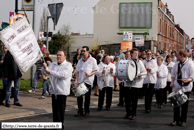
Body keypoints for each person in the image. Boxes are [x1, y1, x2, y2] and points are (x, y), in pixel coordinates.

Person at [42, 50, 73, 129]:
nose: (58, 56)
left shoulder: (68, 65)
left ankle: (60, 126)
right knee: (55, 111)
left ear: (65, 56)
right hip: (54, 91)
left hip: (62, 91)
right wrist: (44, 67)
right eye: (57, 55)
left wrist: (50, 71)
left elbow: (63, 75)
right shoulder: (53, 64)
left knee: (60, 111)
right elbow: (46, 73)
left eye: (60, 55)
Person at [170, 49, 194, 127]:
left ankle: (183, 121)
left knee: (184, 105)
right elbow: (173, 75)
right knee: (176, 105)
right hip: (177, 87)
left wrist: (187, 80)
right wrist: (172, 82)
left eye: (177, 55)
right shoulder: (176, 64)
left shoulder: (190, 63)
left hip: (185, 88)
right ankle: (176, 120)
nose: (176, 56)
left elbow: (192, 76)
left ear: (182, 55)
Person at [74, 46, 98, 117]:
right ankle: (80, 111)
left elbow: (95, 70)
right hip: (80, 81)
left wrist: (90, 74)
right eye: (82, 51)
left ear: (88, 51)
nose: (82, 52)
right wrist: (76, 80)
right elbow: (77, 71)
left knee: (87, 97)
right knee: (79, 97)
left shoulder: (92, 60)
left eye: (84, 51)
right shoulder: (80, 60)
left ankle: (87, 111)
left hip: (87, 81)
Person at [123, 48, 147, 120]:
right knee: (127, 100)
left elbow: (144, 72)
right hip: (127, 84)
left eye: (137, 53)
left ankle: (133, 114)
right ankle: (128, 113)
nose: (136, 54)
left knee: (134, 100)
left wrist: (140, 75)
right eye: (135, 53)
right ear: (131, 54)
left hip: (136, 84)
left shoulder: (140, 62)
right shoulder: (127, 62)